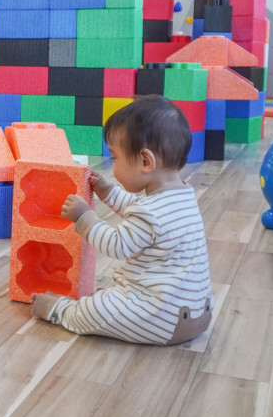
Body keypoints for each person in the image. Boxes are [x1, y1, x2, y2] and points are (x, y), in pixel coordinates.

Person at [31, 96, 214, 345]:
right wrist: (108, 192)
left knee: (97, 309)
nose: (112, 165)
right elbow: (138, 212)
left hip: (160, 317)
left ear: (146, 161)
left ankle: (60, 311)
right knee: (110, 295)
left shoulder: (149, 212)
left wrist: (84, 217)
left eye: (115, 158)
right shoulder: (181, 195)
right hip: (196, 312)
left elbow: (117, 245)